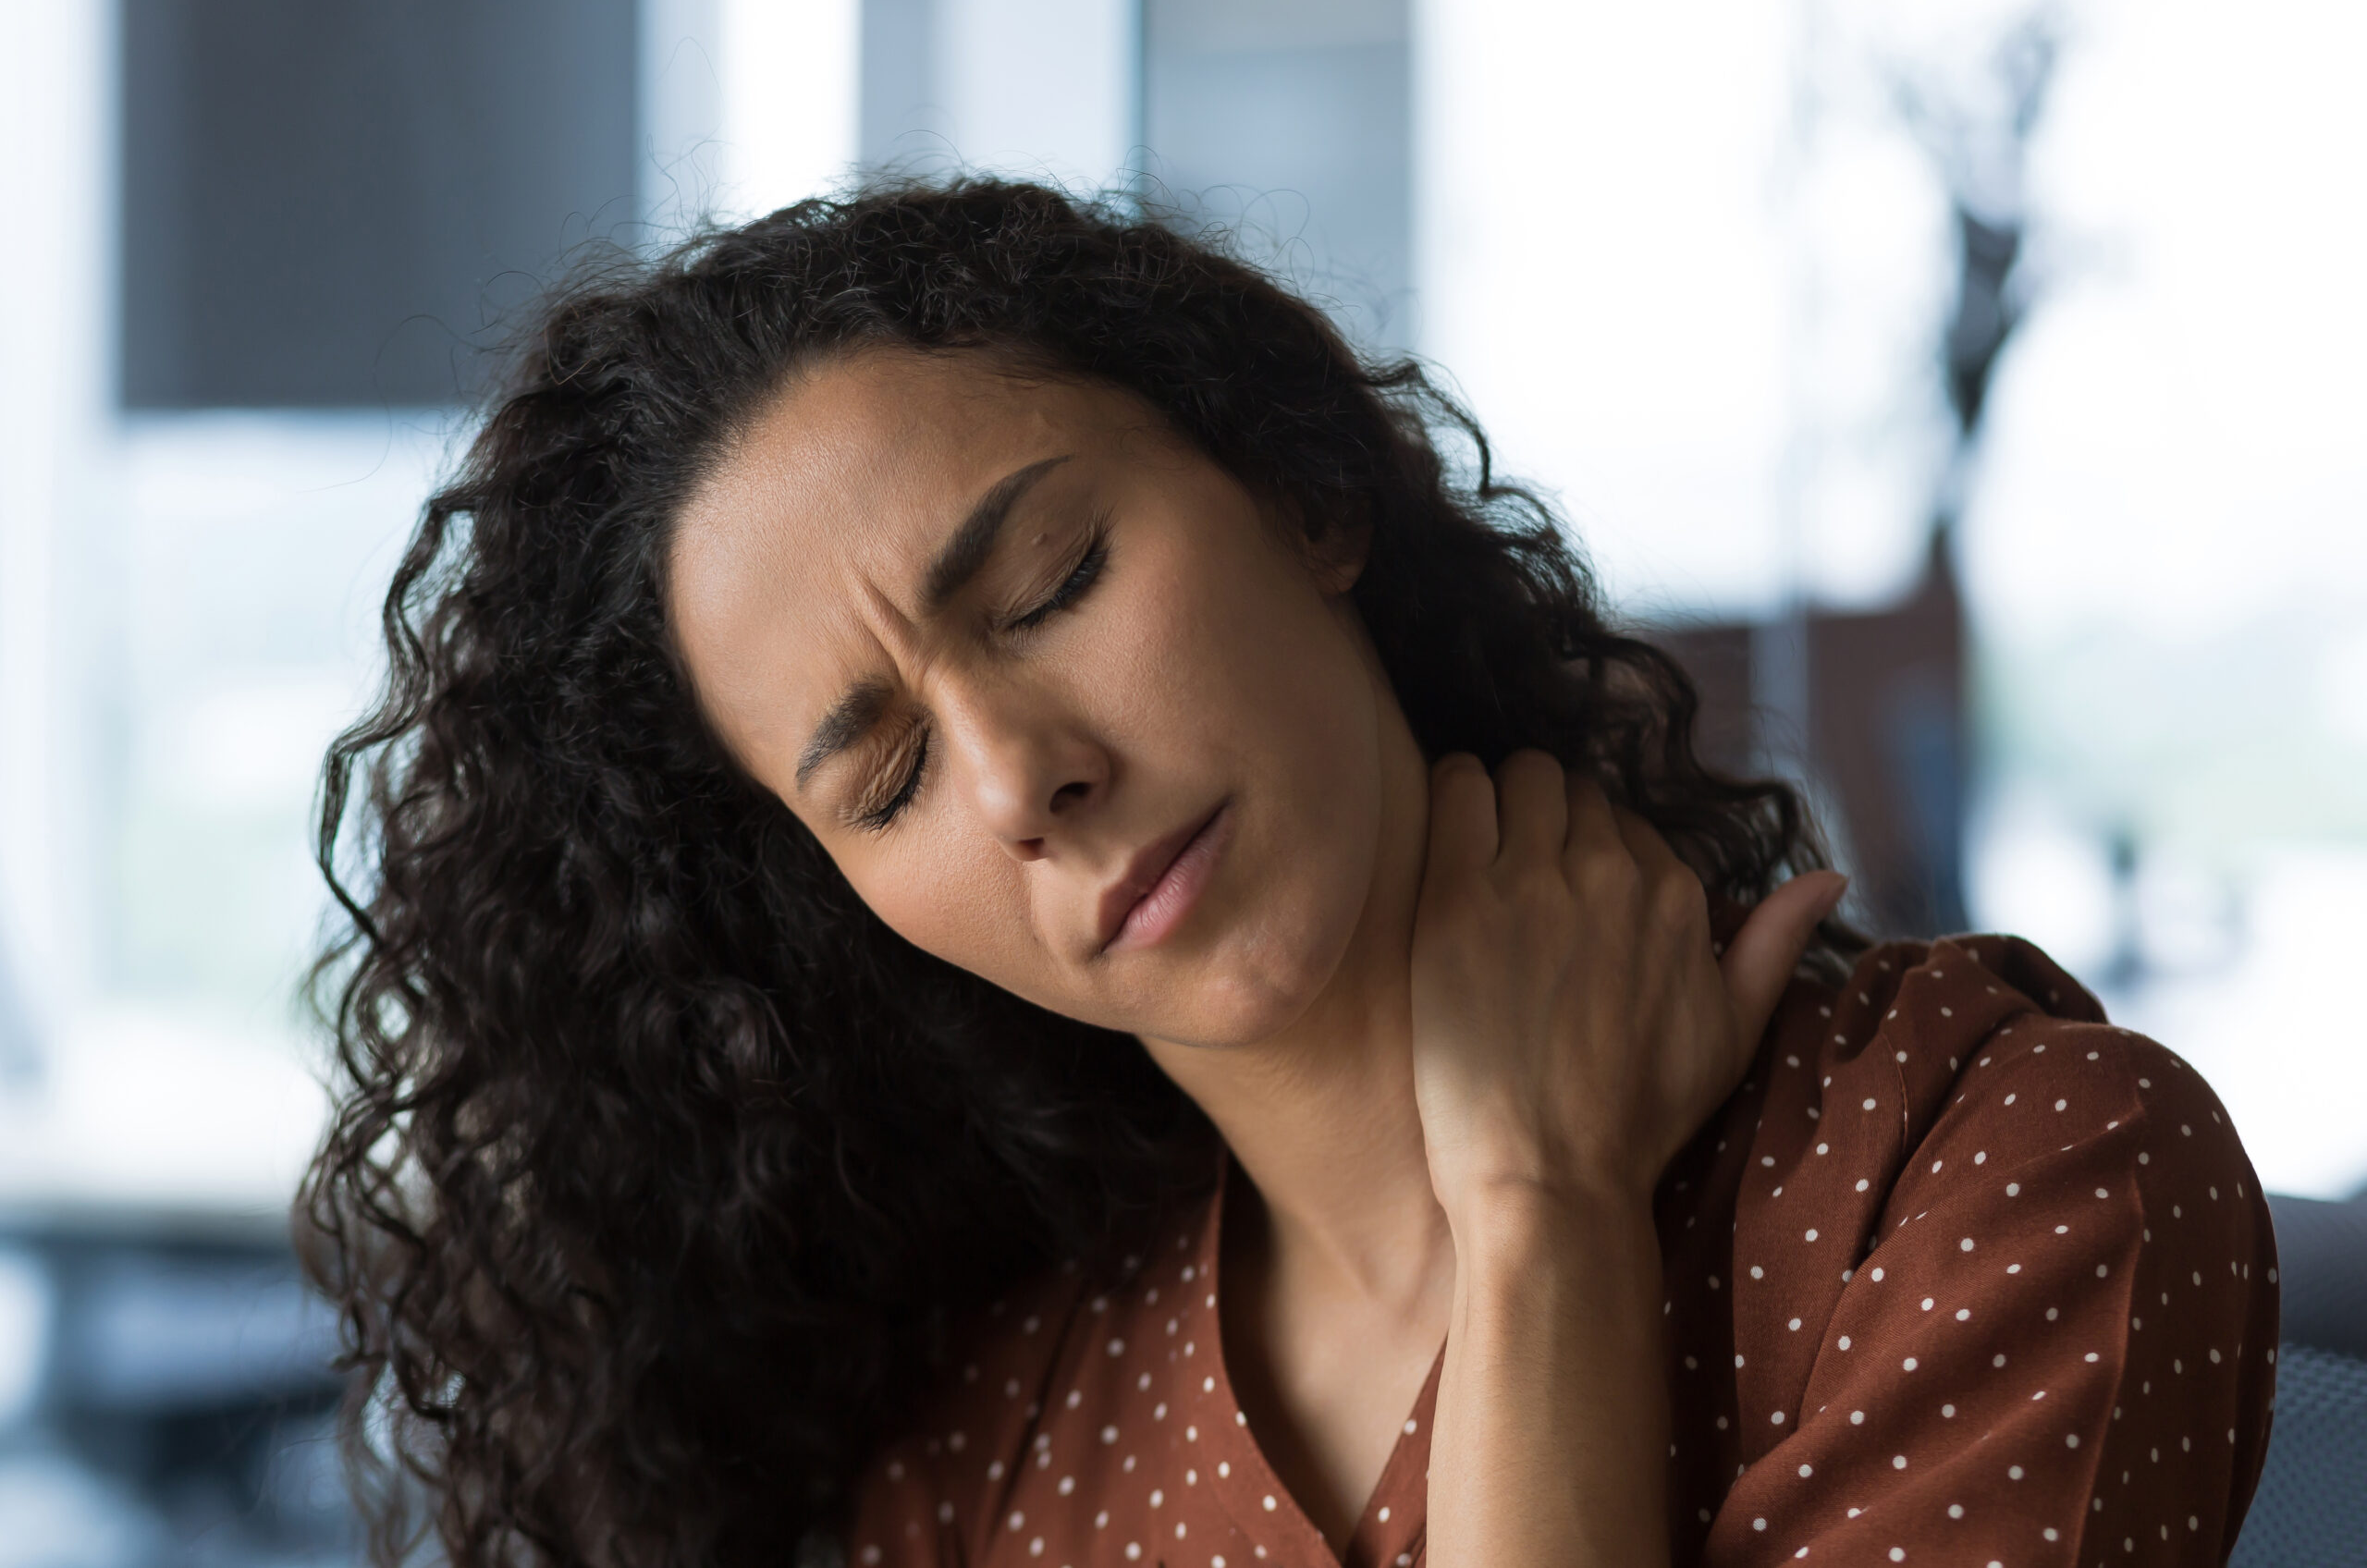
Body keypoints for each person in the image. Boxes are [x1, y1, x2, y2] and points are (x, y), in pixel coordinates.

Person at [303, 180, 2276, 1568]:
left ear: (1303, 491)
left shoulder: (1988, 1174)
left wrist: (1537, 1211)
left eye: (1054, 582)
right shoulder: (999, 1452)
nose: (1022, 774)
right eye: (887, 775)